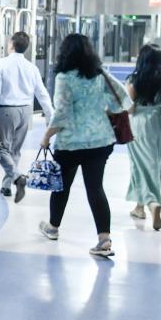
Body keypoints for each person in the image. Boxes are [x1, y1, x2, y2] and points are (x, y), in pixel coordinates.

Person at [37, 34, 130, 257]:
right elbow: (123, 97)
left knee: (62, 187)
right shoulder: (98, 74)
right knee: (95, 188)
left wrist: (47, 135)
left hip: (70, 143)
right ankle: (104, 240)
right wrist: (103, 110)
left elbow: (62, 113)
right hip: (101, 141)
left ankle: (53, 227)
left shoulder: (64, 78)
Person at [0, 31, 54, 202]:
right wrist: (50, 117)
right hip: (26, 112)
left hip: (7, 111)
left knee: (0, 149)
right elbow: (42, 93)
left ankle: (17, 178)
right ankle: (6, 186)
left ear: (11, 45)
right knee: (14, 150)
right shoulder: (32, 67)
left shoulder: (1, 64)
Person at [125, 44, 161, 230]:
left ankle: (153, 204)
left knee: (140, 166)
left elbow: (129, 107)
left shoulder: (135, 80)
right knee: (155, 166)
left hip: (141, 125)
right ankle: (139, 207)